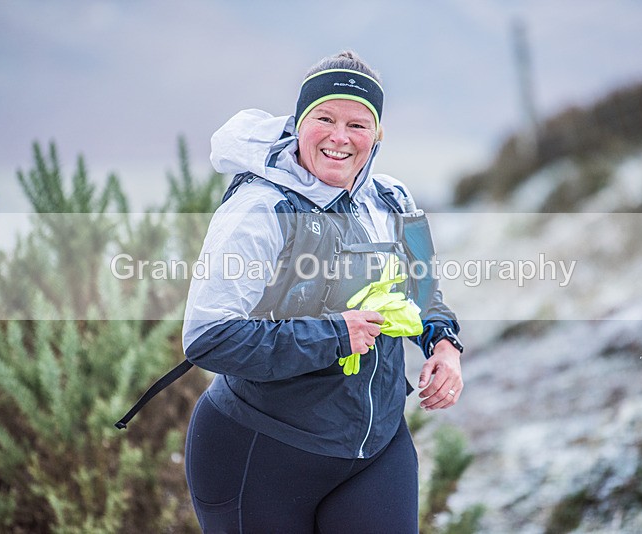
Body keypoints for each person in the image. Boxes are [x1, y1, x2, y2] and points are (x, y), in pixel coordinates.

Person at [181, 50, 464, 533]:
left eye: (358, 124)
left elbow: (423, 292)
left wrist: (443, 344)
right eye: (325, 118)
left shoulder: (393, 198)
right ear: (298, 123)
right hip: (261, 451)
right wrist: (334, 335)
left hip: (375, 450)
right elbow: (208, 338)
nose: (339, 137)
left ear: (376, 135)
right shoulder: (259, 207)